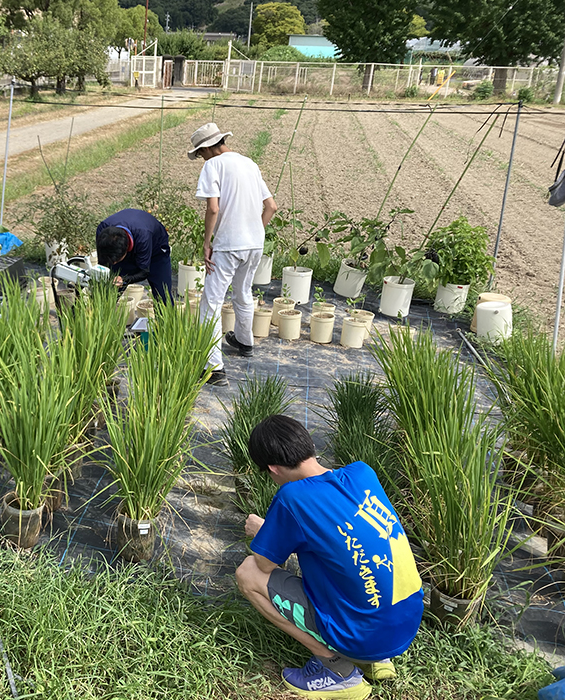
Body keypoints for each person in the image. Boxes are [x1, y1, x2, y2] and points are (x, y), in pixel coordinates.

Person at [236, 415, 424, 700]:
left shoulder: (293, 498)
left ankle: (336, 670)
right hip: (406, 622)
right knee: (358, 559)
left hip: (364, 635)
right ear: (309, 444)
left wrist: (263, 530)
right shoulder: (363, 473)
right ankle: (377, 660)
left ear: (273, 469)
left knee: (248, 573)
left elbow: (264, 565)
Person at [189, 122, 278, 387]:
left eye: (201, 153)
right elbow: (271, 206)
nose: (201, 158)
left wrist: (207, 243)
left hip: (228, 245)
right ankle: (245, 342)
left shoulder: (213, 166)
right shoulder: (250, 164)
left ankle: (214, 369)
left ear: (208, 148)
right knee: (243, 292)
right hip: (254, 244)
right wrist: (253, 233)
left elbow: (213, 209)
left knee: (211, 303)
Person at [95, 208, 173, 301]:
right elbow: (103, 264)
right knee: (106, 295)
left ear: (126, 250)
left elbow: (144, 272)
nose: (114, 263)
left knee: (163, 296)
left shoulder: (143, 236)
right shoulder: (103, 231)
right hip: (124, 245)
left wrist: (123, 279)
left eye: (116, 260)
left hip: (156, 251)